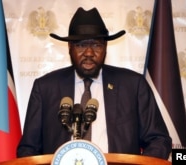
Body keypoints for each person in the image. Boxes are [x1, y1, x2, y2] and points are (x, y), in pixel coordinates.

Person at [17, 7, 172, 160]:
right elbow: (28, 149)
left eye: (97, 45)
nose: (89, 53)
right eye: (81, 45)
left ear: (105, 47)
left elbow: (159, 140)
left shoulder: (133, 86)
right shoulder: (45, 88)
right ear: (70, 48)